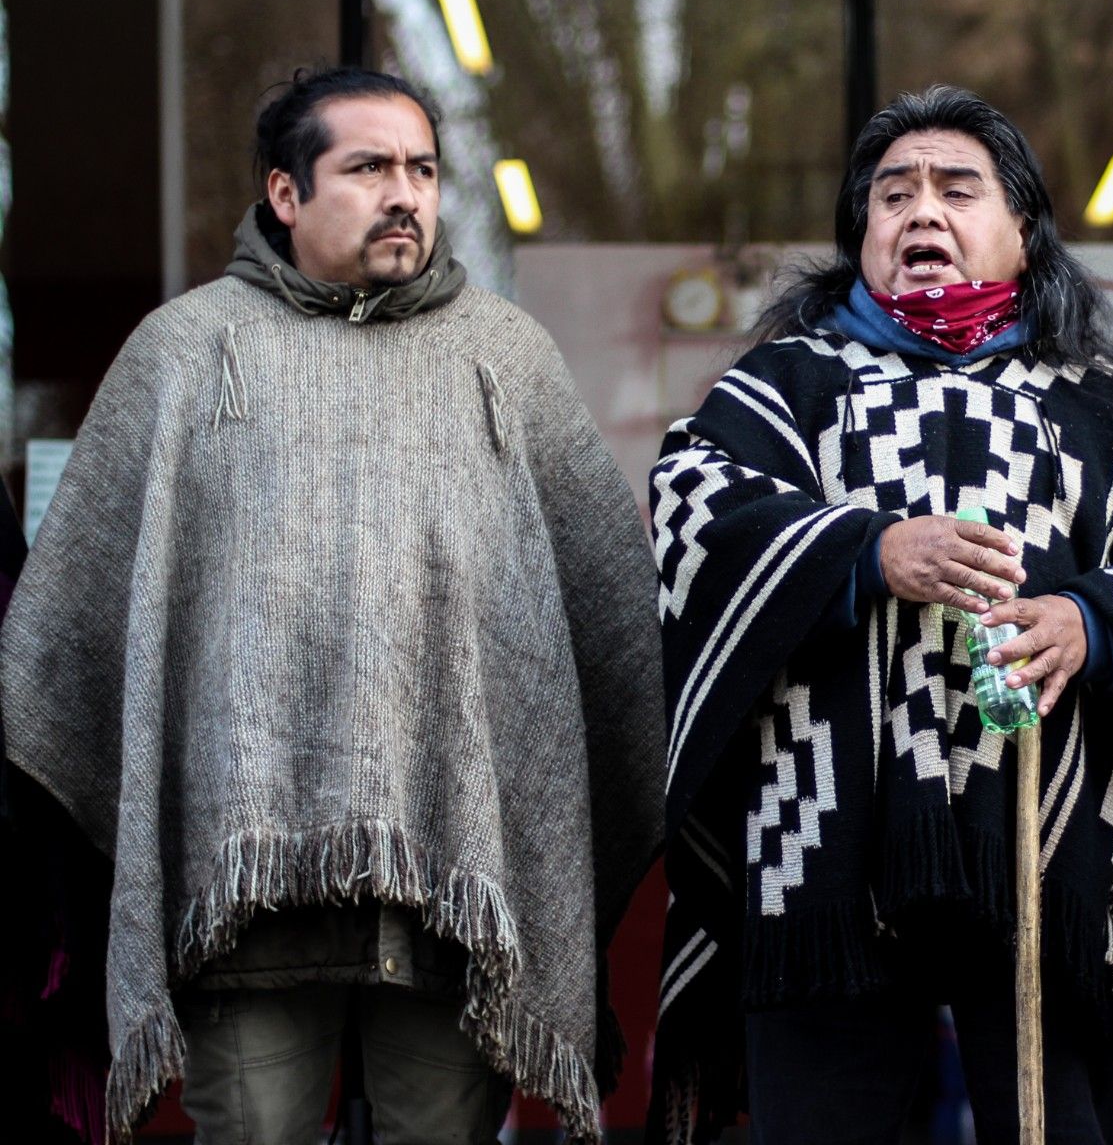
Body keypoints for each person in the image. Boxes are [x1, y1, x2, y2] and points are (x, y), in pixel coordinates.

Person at [0, 66, 664, 1145]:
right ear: (285, 192)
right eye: (367, 167)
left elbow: (604, 622)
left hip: (455, 883)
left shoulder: (506, 358)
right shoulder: (179, 353)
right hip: (240, 886)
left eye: (423, 169)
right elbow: (70, 628)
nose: (405, 192)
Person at [646, 85, 1113, 1143]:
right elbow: (692, 513)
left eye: (957, 188)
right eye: (893, 194)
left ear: (1022, 233)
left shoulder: (1109, 404)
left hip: (1050, 847)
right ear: (862, 236)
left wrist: (1092, 622)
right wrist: (866, 550)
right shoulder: (781, 387)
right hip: (821, 852)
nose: (921, 210)